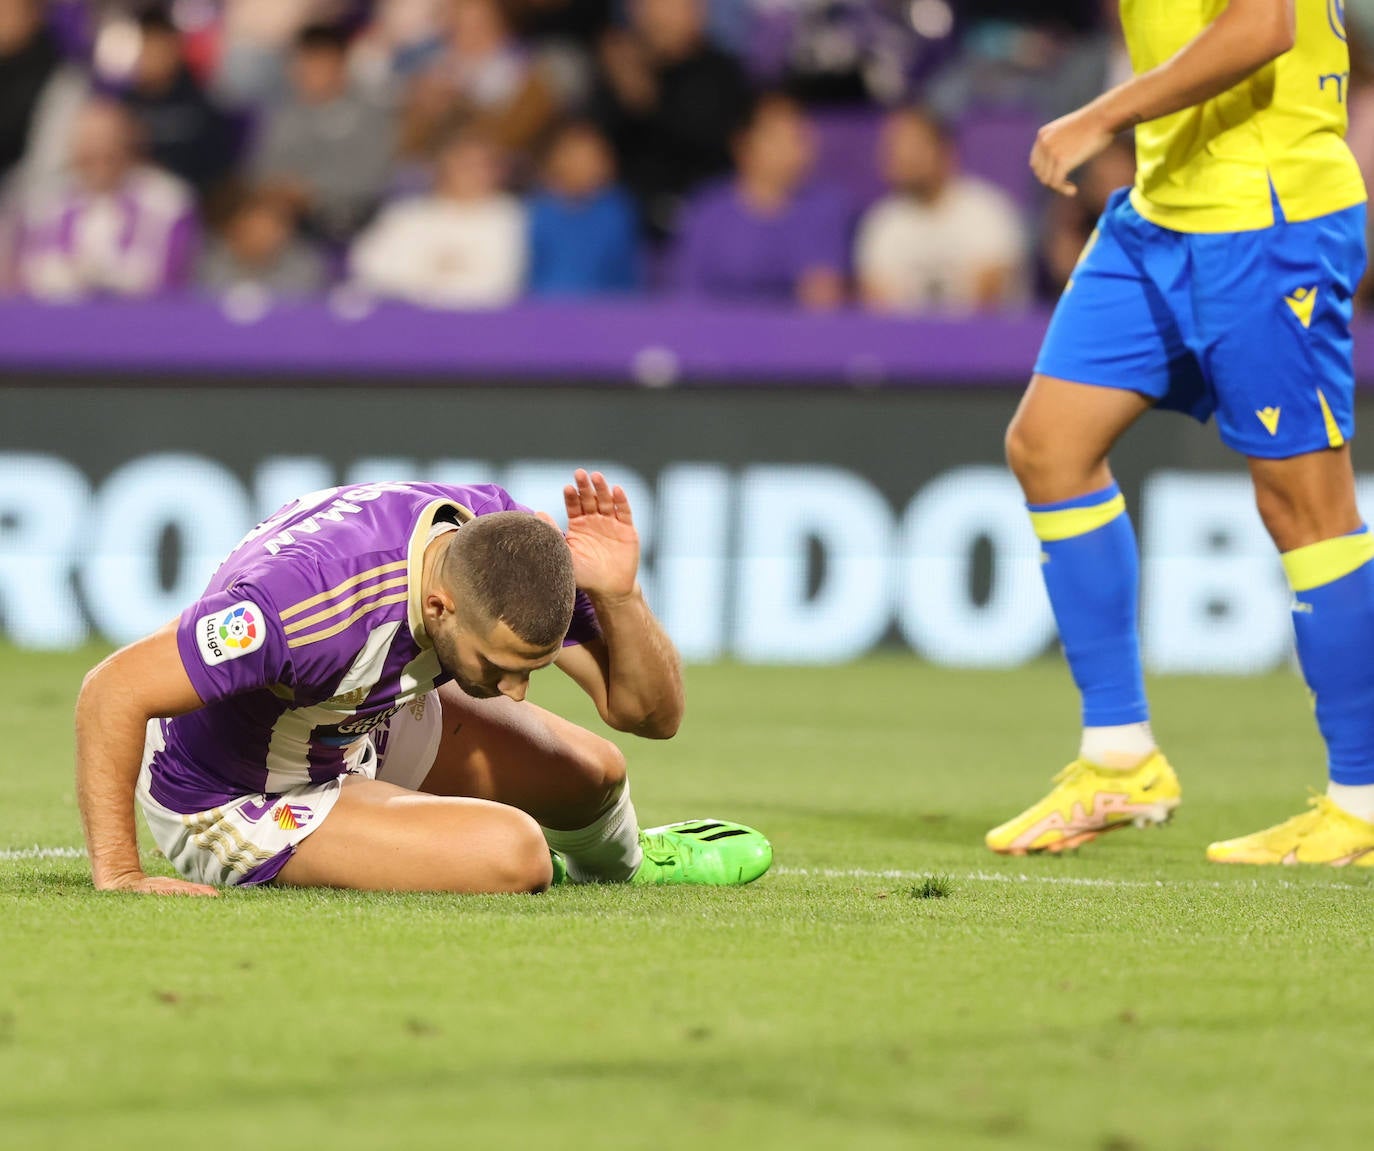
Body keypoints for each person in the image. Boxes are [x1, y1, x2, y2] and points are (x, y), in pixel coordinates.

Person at [987, 0, 1374, 866]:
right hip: (1161, 212)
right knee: (1049, 445)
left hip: (1268, 215)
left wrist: (1102, 111)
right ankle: (1122, 759)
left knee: (1307, 508)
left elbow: (1266, 26)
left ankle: (1365, 800)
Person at [75, 470, 773, 896]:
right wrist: (120, 872)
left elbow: (649, 714)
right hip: (235, 793)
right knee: (513, 852)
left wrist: (621, 597)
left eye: (529, 667)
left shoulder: (496, 543)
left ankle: (624, 866)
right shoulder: (303, 609)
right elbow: (111, 689)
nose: (515, 690)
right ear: (438, 607)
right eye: (502, 667)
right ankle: (478, 855)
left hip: (351, 716)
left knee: (597, 773)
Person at [590, 0, 751, 241]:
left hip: (705, 206)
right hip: (630, 211)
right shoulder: (621, 70)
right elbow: (597, 141)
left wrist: (645, 97)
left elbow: (709, 138)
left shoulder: (721, 71)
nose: (665, 16)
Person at [670, 92, 849, 309]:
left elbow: (821, 297)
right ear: (743, 145)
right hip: (717, 336)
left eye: (798, 134)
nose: (794, 146)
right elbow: (687, 295)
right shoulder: (707, 209)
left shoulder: (826, 207)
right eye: (778, 136)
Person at [13, 99, 197, 301]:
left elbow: (165, 278)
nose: (99, 154)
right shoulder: (43, 202)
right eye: (89, 144)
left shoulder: (167, 201)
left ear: (129, 144)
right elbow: (29, 277)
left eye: (109, 142)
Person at [855, 106, 1028, 314]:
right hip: (906, 344)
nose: (902, 156)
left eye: (912, 145)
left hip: (984, 342)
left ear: (945, 151)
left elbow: (986, 302)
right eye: (893, 147)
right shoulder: (882, 223)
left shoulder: (987, 212)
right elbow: (879, 311)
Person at [250, 23, 395, 245]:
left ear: (341, 64)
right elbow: (263, 170)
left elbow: (371, 177)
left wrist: (311, 190)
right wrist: (283, 189)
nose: (308, 71)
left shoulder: (371, 112)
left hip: (353, 215)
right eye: (303, 62)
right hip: (289, 216)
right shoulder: (281, 113)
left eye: (319, 62)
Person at [349, 126, 525, 308]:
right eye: (465, 165)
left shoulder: (510, 215)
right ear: (443, 166)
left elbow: (497, 283)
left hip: (478, 322)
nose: (476, 174)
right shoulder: (406, 214)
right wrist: (439, 273)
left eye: (485, 165)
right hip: (406, 318)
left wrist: (427, 275)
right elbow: (372, 268)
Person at [527, 119, 640, 296]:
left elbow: (624, 275)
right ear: (555, 159)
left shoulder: (616, 212)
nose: (584, 165)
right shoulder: (535, 210)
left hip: (601, 312)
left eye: (592, 157)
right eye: (575, 156)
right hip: (538, 312)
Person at [197, 185, 329, 298]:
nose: (264, 236)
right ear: (236, 229)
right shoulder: (209, 262)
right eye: (255, 228)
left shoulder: (306, 266)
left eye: (273, 227)